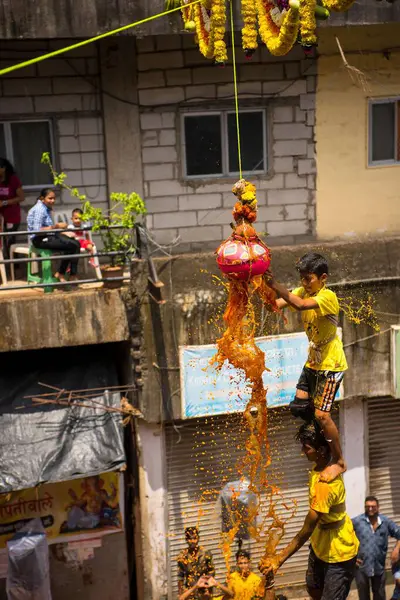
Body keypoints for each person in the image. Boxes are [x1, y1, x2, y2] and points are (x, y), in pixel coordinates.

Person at [264, 252, 347, 483]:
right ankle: (321, 441)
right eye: (301, 278)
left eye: (308, 278)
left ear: (323, 277)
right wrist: (262, 285)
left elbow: (299, 305)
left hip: (331, 365)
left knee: (322, 414)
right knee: (300, 408)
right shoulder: (304, 290)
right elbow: (275, 305)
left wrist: (275, 285)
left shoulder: (327, 296)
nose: (303, 283)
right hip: (313, 362)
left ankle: (339, 461)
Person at [260, 421, 359, 600]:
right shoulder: (321, 469)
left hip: (338, 552)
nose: (303, 452)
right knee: (313, 588)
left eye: (306, 448)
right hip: (320, 543)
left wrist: (278, 560)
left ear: (321, 450)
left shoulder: (326, 485)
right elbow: (325, 422)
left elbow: (306, 530)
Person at [27, 188, 81, 284]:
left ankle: (70, 274)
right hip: (39, 239)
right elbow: (37, 231)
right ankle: (63, 273)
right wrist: (56, 226)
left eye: (54, 198)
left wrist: (61, 232)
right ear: (42, 198)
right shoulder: (40, 209)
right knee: (72, 245)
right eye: (50, 198)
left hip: (48, 236)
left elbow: (48, 229)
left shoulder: (45, 207)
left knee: (76, 243)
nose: (52, 201)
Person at [352, 496, 400, 600]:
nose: (370, 509)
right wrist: (351, 557)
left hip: (379, 566)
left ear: (378, 507)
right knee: (364, 597)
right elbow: (343, 537)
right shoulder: (356, 522)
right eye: (367, 506)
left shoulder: (385, 522)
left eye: (373, 507)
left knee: (380, 596)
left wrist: (396, 549)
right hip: (361, 567)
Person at [178, 527, 216, 596]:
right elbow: (180, 577)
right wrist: (181, 594)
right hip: (190, 592)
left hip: (204, 593)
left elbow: (211, 572)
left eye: (195, 538)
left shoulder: (206, 553)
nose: (192, 541)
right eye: (190, 538)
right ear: (186, 540)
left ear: (198, 538)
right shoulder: (182, 556)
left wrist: (206, 587)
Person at [0, 157, 25, 258]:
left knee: (10, 240)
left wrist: (5, 202)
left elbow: (21, 197)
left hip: (11, 216)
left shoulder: (12, 179)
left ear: (3, 168)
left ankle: (14, 265)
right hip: (0, 217)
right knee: (3, 241)